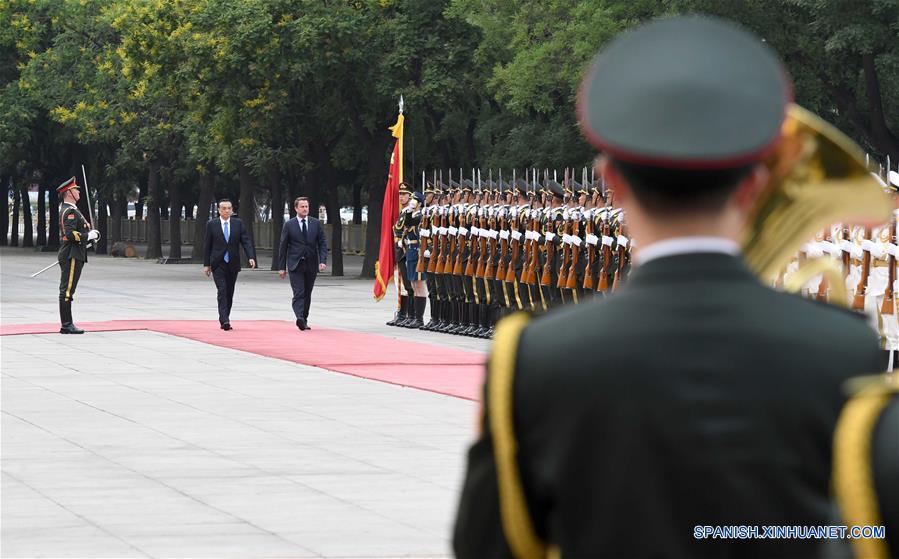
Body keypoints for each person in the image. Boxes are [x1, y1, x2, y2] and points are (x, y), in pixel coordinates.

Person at [453, 15, 884, 559]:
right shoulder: (844, 346)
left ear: (610, 182)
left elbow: (489, 547)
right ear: (754, 185)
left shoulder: (538, 357)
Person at [203, 198, 256, 330]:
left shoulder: (238, 223)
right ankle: (224, 320)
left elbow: (246, 241)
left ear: (232, 210)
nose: (227, 211)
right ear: (219, 210)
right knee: (222, 290)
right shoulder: (212, 224)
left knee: (229, 291)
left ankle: (226, 316)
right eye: (224, 208)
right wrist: (206, 264)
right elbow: (207, 245)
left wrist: (251, 257)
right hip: (218, 263)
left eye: (229, 208)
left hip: (232, 262)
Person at [278, 196, 328, 331]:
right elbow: (283, 246)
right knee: (299, 292)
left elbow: (322, 243)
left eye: (307, 206)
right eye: (302, 206)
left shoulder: (315, 223)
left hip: (311, 263)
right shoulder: (289, 225)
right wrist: (281, 267)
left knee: (307, 292)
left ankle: (304, 319)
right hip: (295, 264)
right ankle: (299, 317)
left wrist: (323, 261)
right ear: (296, 208)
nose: (305, 209)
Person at [57, 177, 98, 334]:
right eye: (76, 189)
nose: (78, 191)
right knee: (67, 290)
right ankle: (66, 324)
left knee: (69, 289)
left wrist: (92, 235)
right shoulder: (70, 211)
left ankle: (67, 324)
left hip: (74, 252)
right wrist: (88, 236)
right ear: (69, 193)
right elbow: (70, 233)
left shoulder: (72, 209)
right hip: (71, 254)